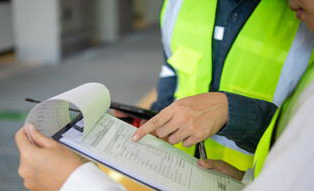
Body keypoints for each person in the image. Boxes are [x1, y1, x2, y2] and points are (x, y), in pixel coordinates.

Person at [15, 0, 314, 191]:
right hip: (195, 184)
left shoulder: (302, 22)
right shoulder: (178, 3)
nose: (293, 4)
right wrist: (147, 118)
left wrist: (73, 188)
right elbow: (173, 71)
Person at [130, 0, 314, 175]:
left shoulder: (305, 16)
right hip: (179, 180)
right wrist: (154, 115)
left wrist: (233, 112)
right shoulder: (177, 2)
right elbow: (172, 67)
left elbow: (304, 133)